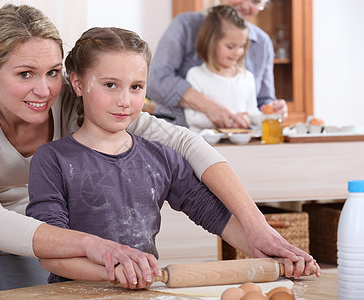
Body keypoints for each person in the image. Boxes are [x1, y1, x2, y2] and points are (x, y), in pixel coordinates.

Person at [0, 3, 316, 299]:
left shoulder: (75, 96)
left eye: (53, 72)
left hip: (28, 215)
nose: (44, 91)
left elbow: (183, 143)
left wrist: (258, 230)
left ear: (69, 76)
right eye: (25, 75)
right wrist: (98, 247)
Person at [26, 26, 319, 289]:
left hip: (141, 293)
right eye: (110, 85)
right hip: (72, 293)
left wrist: (270, 249)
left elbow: (213, 214)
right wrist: (116, 272)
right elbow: (50, 253)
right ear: (77, 84)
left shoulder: (161, 158)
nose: (125, 101)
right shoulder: (52, 160)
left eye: (136, 87)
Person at [148, 0, 288, 129]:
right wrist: (209, 106)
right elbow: (154, 80)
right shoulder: (186, 25)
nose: (246, 5)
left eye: (255, 1)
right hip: (177, 132)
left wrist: (272, 109)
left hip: (237, 137)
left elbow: (263, 100)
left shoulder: (262, 43)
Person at [184, 6, 261, 133]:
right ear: (211, 43)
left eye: (241, 46)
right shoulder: (196, 75)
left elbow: (251, 112)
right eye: (230, 47)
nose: (237, 52)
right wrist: (231, 120)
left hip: (237, 145)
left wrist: (268, 116)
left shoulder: (247, 77)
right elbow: (192, 118)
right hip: (205, 146)